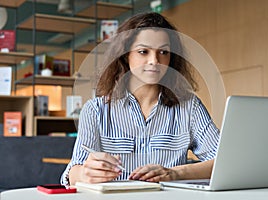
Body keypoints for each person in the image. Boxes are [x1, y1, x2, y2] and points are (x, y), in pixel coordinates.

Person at [61, 12, 220, 186]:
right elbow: (73, 173)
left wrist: (174, 173)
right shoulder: (95, 110)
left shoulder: (190, 107)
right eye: (143, 51)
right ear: (125, 55)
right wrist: (84, 174)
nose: (154, 60)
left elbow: (223, 161)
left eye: (163, 52)